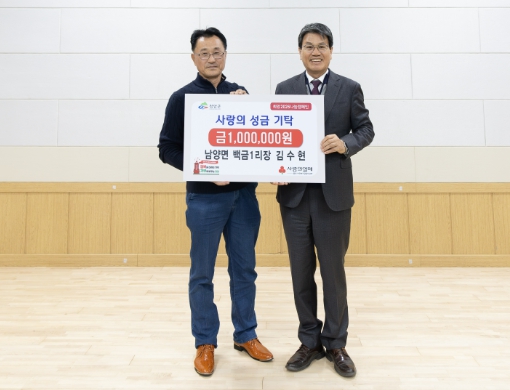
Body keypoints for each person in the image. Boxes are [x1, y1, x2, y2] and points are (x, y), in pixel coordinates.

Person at [158, 27, 273, 377]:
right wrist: (204, 169)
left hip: (244, 198)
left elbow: (257, 142)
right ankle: (205, 342)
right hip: (204, 199)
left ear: (226, 55)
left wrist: (247, 108)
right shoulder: (182, 98)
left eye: (217, 52)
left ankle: (246, 334)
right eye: (204, 53)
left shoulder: (240, 94)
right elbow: (167, 149)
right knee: (202, 273)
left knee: (245, 270)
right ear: (194, 58)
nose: (211, 58)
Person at [274, 23, 374, 378]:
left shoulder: (350, 88)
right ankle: (309, 341)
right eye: (308, 46)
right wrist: (274, 167)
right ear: (300, 51)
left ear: (331, 50)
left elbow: (366, 129)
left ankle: (336, 343)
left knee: (332, 272)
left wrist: (346, 143)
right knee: (301, 273)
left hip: (333, 196)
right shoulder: (284, 89)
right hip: (295, 196)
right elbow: (276, 136)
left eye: (321, 46)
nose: (315, 52)